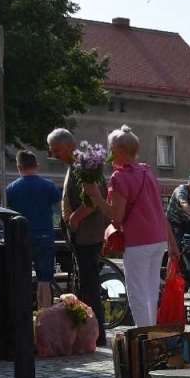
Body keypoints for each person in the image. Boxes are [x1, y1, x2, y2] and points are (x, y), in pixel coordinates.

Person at [89, 125, 178, 330]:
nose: (110, 153)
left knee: (137, 292)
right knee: (150, 289)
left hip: (138, 240)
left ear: (120, 150)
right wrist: (172, 243)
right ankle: (152, 332)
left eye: (111, 148)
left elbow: (116, 216)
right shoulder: (147, 172)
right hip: (158, 238)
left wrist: (96, 196)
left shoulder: (119, 177)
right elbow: (160, 210)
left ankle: (144, 335)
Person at [53, 128, 107, 347]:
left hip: (87, 235)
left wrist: (75, 217)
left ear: (68, 146)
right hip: (81, 236)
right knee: (84, 286)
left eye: (55, 150)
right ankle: (89, 333)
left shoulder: (84, 166)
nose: (54, 154)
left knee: (89, 287)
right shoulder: (74, 166)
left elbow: (95, 199)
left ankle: (96, 334)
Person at [5, 149, 63, 310]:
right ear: (37, 165)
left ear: (18, 167)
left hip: (21, 239)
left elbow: (5, 216)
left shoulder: (11, 189)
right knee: (44, 280)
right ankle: (43, 314)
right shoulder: (48, 186)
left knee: (20, 278)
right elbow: (62, 210)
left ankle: (21, 314)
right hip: (45, 237)